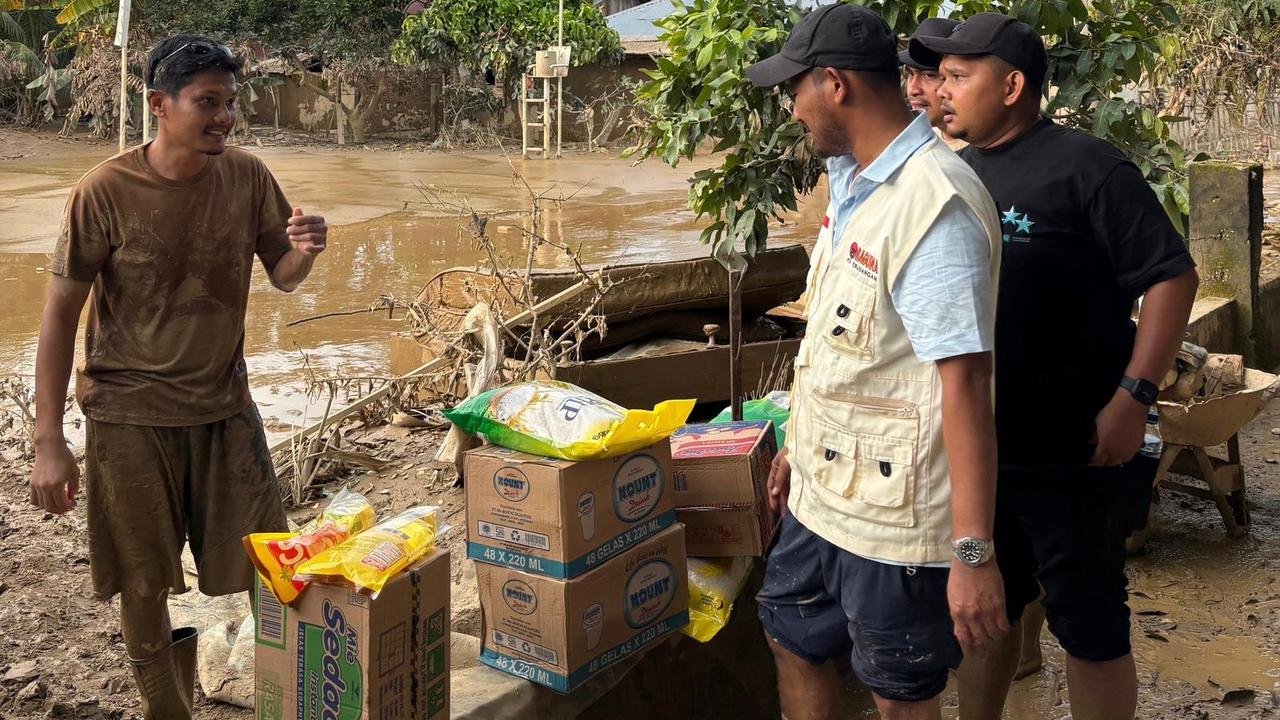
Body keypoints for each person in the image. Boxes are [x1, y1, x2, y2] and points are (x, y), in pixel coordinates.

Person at [28, 35, 328, 719]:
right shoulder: (103, 191)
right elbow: (59, 318)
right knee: (143, 579)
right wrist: (49, 440)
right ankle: (168, 709)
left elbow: (283, 275)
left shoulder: (247, 176)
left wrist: (306, 252)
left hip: (225, 406)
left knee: (270, 562)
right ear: (159, 104)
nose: (226, 117)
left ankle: (295, 696)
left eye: (232, 102)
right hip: (129, 416)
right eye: (208, 102)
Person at [910, 14, 1199, 720]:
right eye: (938, 78)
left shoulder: (1088, 167)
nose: (940, 91)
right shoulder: (956, 174)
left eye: (957, 77)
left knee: (1089, 622)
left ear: (1012, 86)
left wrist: (1133, 398)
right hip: (983, 455)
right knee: (985, 614)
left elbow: (1172, 276)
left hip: (1077, 451)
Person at [746, 5, 1008, 719]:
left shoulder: (933, 207)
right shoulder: (851, 183)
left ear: (835, 84)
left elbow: (966, 384)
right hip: (822, 497)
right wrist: (797, 446)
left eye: (794, 90)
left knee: (901, 693)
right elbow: (846, 351)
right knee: (791, 639)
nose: (791, 110)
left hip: (896, 524)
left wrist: (973, 554)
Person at [900, 17, 965, 149]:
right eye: (910, 74)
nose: (913, 90)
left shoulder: (984, 148)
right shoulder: (916, 142)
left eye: (928, 75)